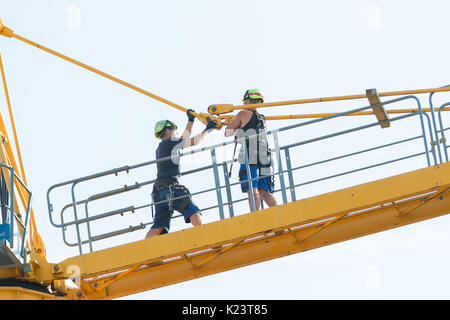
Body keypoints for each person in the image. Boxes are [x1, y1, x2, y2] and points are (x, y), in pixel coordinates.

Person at [145, 109, 216, 239]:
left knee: (158, 226)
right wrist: (209, 129)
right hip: (169, 187)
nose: (175, 132)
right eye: (174, 129)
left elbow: (183, 139)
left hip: (159, 191)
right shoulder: (169, 143)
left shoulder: (163, 146)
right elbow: (193, 141)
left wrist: (191, 120)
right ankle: (204, 235)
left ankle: (145, 250)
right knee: (191, 209)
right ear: (168, 130)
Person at [225, 89, 277, 211]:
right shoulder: (262, 118)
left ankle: (256, 217)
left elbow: (227, 132)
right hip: (265, 156)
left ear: (247, 101)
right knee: (264, 192)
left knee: (252, 189)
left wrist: (234, 123)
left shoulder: (243, 113)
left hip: (251, 155)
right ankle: (280, 215)